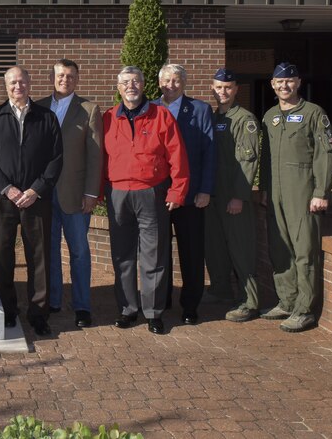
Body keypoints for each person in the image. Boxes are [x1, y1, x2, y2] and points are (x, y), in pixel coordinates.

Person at [0, 66, 63, 337]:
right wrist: (8, 189)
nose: (18, 87)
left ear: (29, 84)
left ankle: (39, 313)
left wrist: (36, 189)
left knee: (39, 256)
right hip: (2, 199)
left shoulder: (46, 118)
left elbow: (56, 159)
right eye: (13, 82)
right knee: (1, 255)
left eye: (22, 82)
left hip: (36, 199)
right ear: (6, 86)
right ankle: (7, 310)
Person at [103, 66, 188, 335]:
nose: (131, 86)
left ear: (143, 85)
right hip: (117, 194)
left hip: (152, 193)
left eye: (136, 81)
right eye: (125, 82)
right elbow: (99, 158)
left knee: (154, 256)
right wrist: (94, 193)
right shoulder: (107, 118)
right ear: (118, 87)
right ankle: (128, 309)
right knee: (123, 256)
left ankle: (153, 312)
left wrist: (177, 191)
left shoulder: (161, 115)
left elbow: (177, 156)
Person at [260, 62, 332, 333]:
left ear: (298, 82)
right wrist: (266, 190)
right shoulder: (270, 116)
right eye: (279, 82)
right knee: (280, 248)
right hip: (277, 192)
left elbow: (325, 154)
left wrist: (321, 192)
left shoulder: (314, 113)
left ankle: (305, 309)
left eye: (289, 81)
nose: (284, 86)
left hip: (303, 191)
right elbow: (266, 157)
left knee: (305, 251)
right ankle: (287, 300)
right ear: (272, 85)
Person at [36, 59, 102, 328]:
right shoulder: (38, 107)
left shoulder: (89, 109)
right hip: (43, 194)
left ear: (77, 79)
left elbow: (96, 156)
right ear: (53, 77)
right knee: (49, 251)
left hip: (75, 194)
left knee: (79, 252)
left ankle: (82, 306)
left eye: (71, 76)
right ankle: (52, 300)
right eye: (61, 75)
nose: (66, 79)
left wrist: (91, 193)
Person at [155, 63, 214, 325]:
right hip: (158, 195)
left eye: (176, 80)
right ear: (159, 83)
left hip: (191, 195)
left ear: (184, 83)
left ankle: (190, 305)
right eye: (166, 80)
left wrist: (205, 190)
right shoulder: (151, 109)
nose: (171, 84)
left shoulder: (200, 110)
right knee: (159, 250)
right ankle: (162, 298)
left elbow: (209, 153)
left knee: (191, 251)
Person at [204, 68, 260, 322]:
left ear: (236, 89)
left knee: (240, 247)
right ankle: (220, 289)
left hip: (233, 195)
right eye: (218, 87)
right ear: (212, 89)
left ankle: (250, 301)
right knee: (215, 247)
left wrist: (239, 195)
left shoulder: (244, 119)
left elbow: (248, 161)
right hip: (214, 194)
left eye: (227, 87)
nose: (222, 92)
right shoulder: (214, 117)